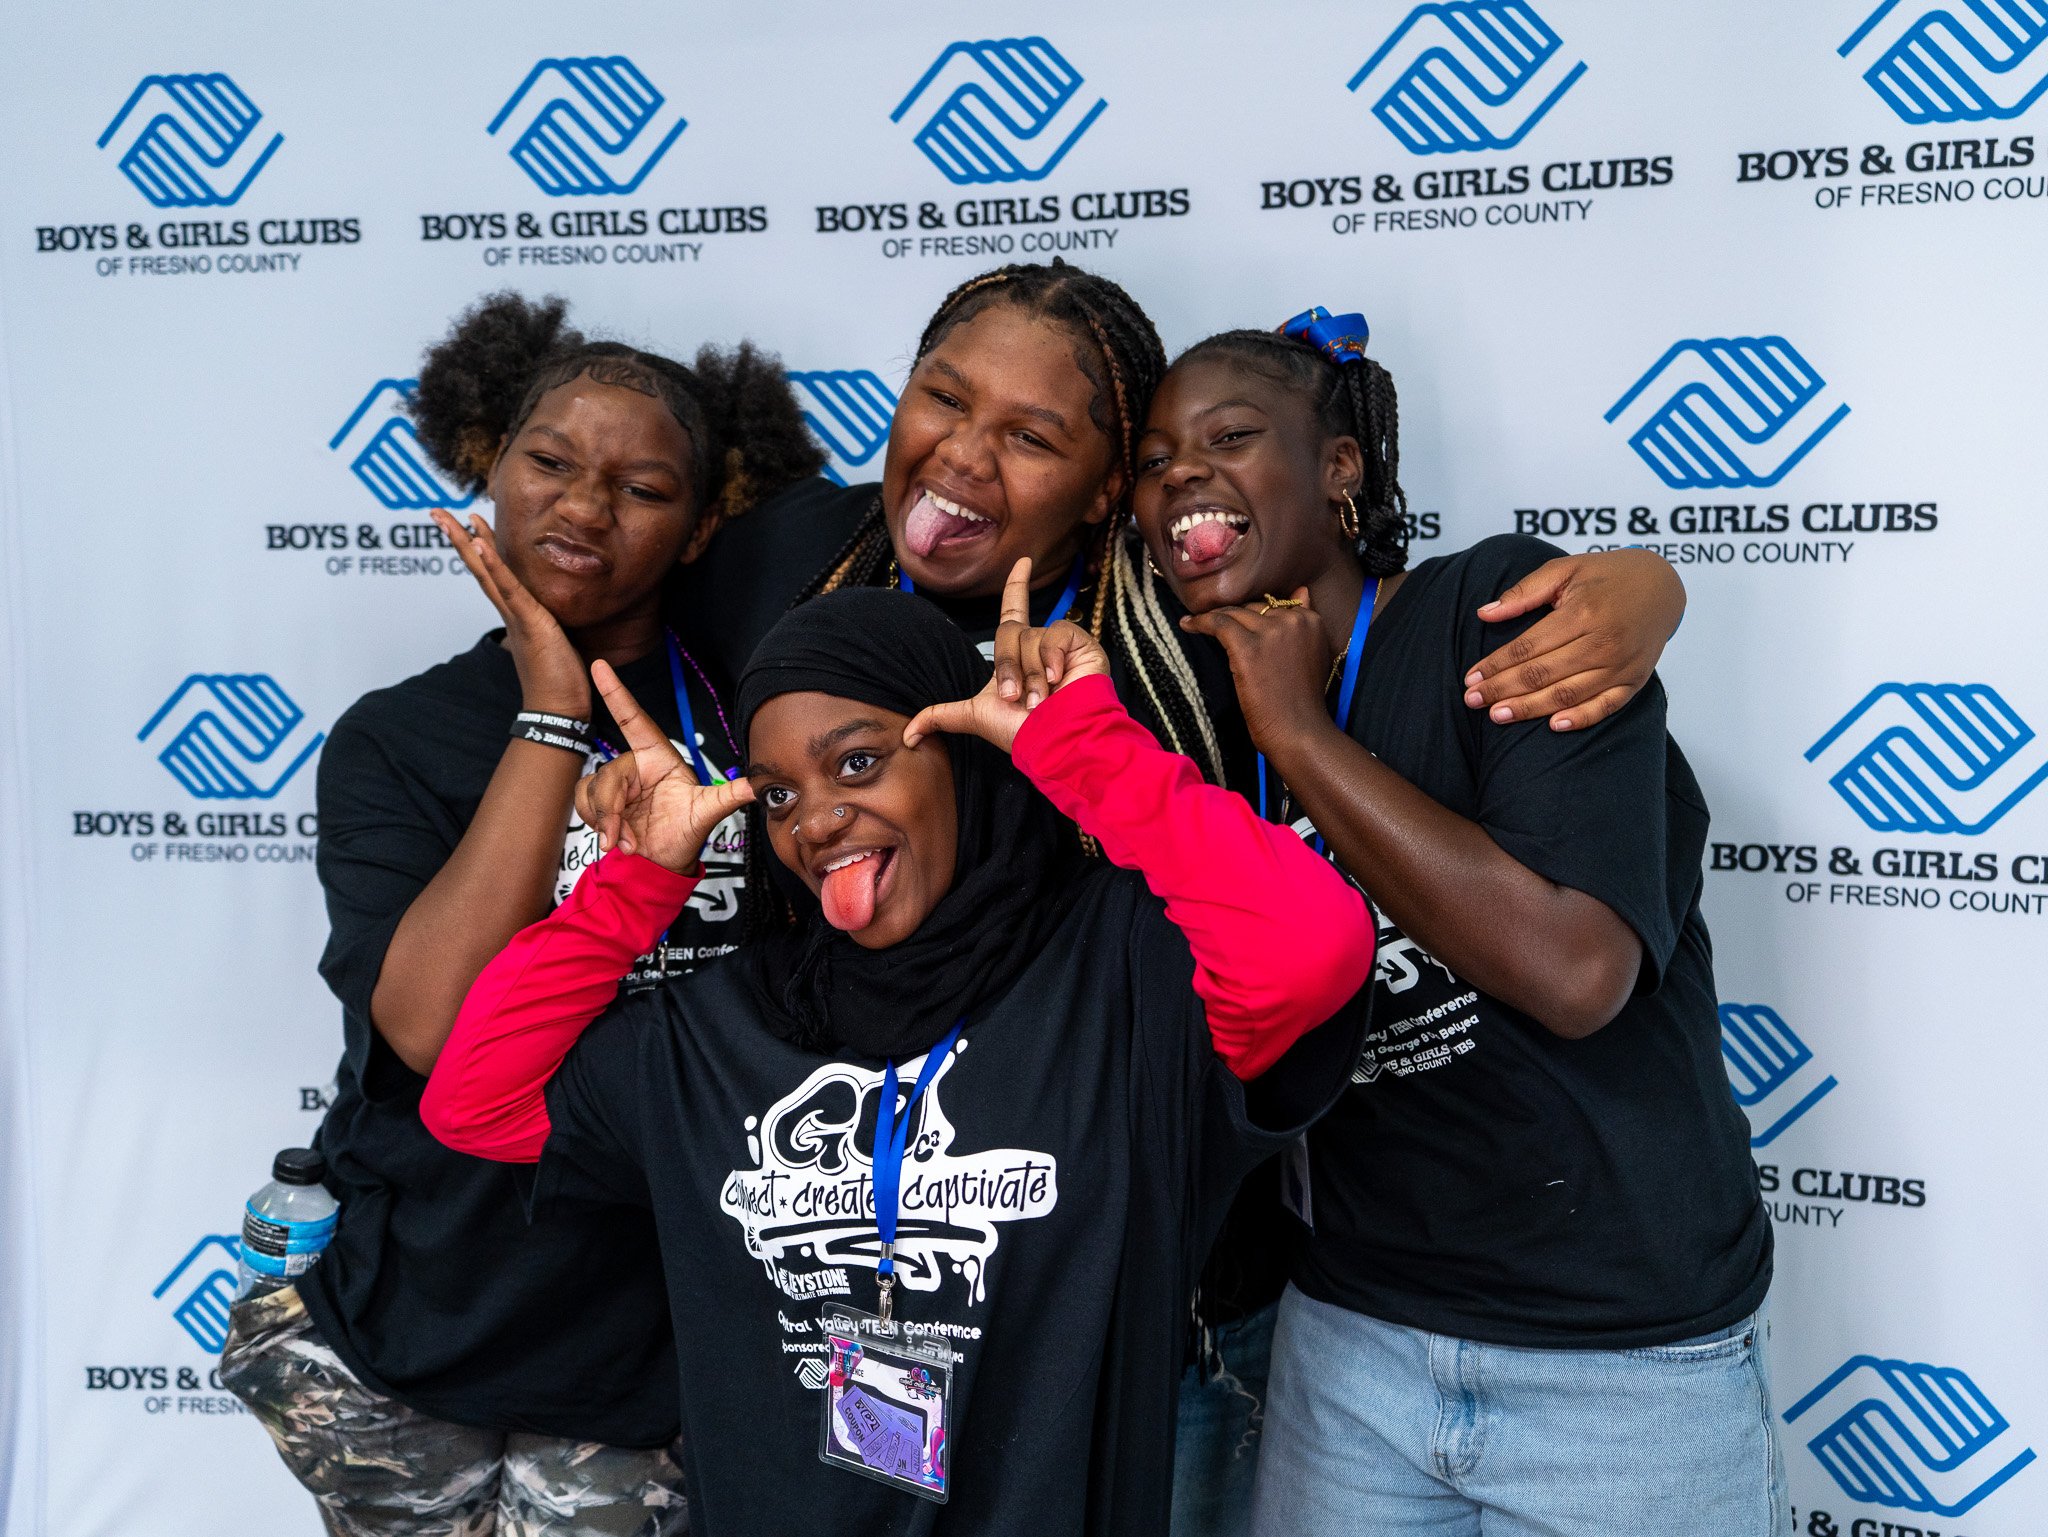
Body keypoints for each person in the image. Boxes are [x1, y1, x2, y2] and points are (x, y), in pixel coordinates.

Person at [670, 259, 1696, 1532]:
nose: (965, 456)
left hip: (1149, 1304)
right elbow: (612, 546)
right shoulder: (791, 562)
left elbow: (1317, 889)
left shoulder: (1185, 630)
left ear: (1104, 491)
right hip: (833, 1274)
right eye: (942, 397)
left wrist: (1641, 587)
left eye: (1033, 436)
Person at [418, 573, 1374, 1535]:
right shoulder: (727, 1025)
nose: (814, 820)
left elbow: (1313, 949)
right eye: (779, 794)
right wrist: (634, 882)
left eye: (860, 762)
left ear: (958, 757)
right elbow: (474, 1100)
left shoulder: (1121, 974)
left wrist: (1084, 749)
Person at [1130, 310, 1782, 1536]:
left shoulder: (1493, 613)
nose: (1181, 476)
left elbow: (1573, 967)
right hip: (1349, 1345)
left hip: (1616, 1356)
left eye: (1228, 436)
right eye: (1155, 460)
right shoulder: (1190, 709)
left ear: (1339, 466)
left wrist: (1300, 734)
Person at [219, 292, 824, 1535]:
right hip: (414, 1318)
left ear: (704, 525)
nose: (584, 508)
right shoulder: (396, 736)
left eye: (641, 488)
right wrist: (550, 708)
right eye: (549, 463)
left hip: (649, 1348)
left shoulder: (757, 725)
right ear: (492, 464)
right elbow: (431, 1030)